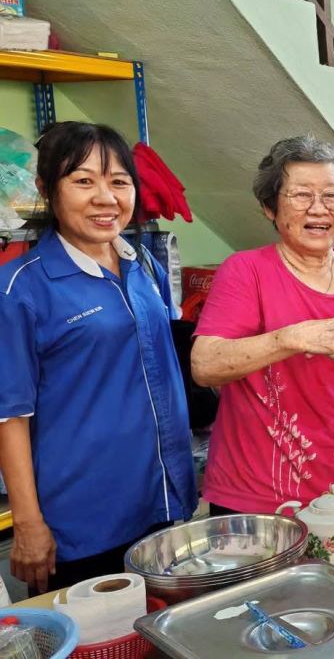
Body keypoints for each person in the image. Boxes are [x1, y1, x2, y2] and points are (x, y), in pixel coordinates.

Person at [0, 122, 196, 593]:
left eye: (119, 182)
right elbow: (9, 415)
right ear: (47, 189)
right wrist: (28, 522)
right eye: (83, 181)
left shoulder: (142, 265)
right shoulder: (21, 288)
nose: (105, 198)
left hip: (162, 501)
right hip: (82, 520)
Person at [189, 135, 334, 515]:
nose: (318, 209)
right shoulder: (246, 271)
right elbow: (205, 365)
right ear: (270, 207)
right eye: (300, 195)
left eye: (331, 196)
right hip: (260, 492)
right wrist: (291, 338)